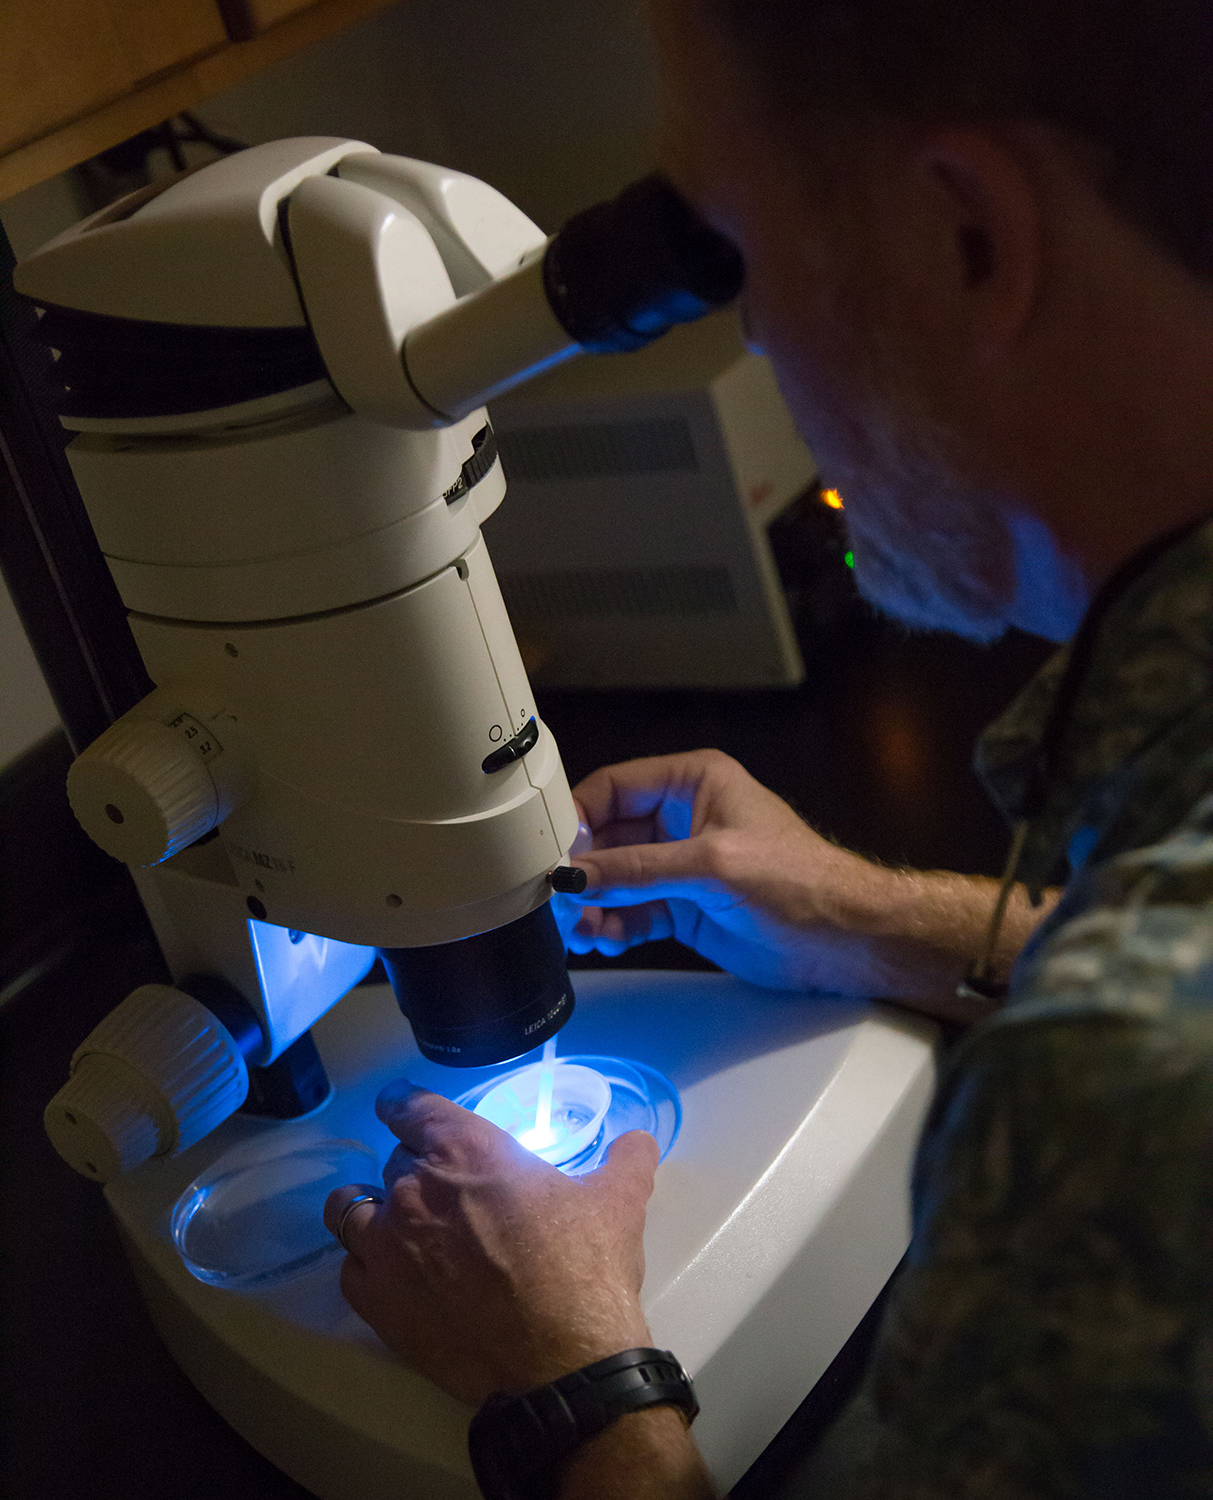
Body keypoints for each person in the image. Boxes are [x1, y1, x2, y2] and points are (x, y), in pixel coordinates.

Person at [325, 0, 1213, 1494]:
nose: (765, 350)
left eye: (735, 257)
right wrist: (868, 919)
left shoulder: (1122, 1102)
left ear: (961, 239)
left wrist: (574, 1384)